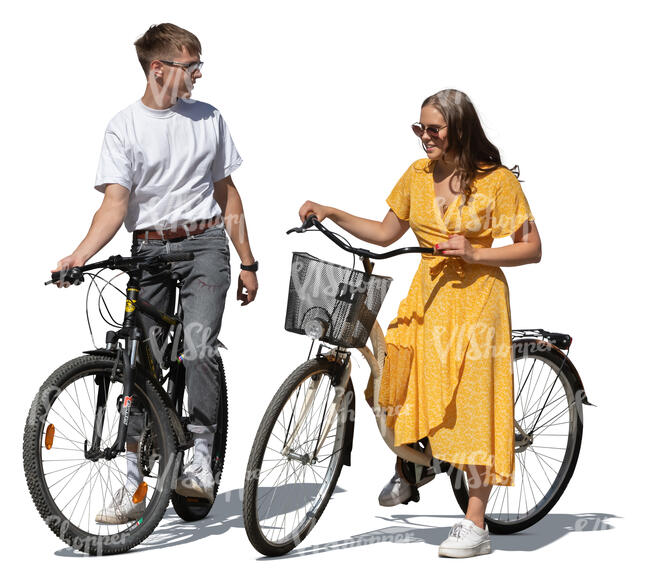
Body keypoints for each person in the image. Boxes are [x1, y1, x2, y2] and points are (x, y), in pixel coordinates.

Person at [299, 89, 541, 558]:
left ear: (459, 130)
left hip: (477, 301)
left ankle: (475, 523)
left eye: (434, 129)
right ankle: (414, 463)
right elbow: (386, 231)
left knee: (472, 405)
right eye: (419, 129)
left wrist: (476, 252)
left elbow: (532, 247)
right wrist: (333, 211)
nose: (424, 137)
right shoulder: (416, 175)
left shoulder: (496, 182)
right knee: (397, 374)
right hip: (427, 293)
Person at [52, 23, 258, 523]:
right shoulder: (124, 126)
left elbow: (227, 193)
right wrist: (79, 254)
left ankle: (202, 458)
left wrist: (248, 260)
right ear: (159, 68)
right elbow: (115, 204)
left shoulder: (208, 118)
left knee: (198, 343)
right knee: (138, 364)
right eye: (192, 67)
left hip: (205, 245)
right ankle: (132, 482)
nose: (199, 75)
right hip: (149, 250)